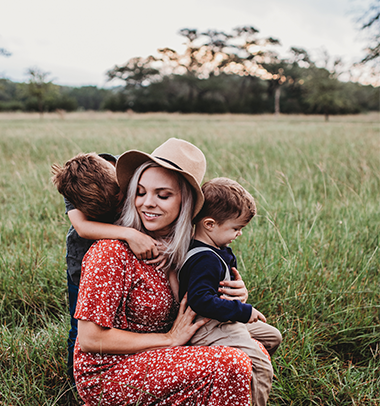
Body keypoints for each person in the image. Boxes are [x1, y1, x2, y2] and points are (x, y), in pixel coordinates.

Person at [73, 138, 254, 405]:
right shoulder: (111, 251)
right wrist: (169, 339)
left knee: (255, 348)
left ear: (186, 203)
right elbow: (90, 339)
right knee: (232, 363)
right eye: (140, 192)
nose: (147, 203)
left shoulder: (187, 250)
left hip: (161, 356)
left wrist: (234, 293)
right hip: (112, 370)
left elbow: (201, 300)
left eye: (163, 195)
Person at [51, 152, 160, 383]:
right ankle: (75, 381)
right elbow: (82, 227)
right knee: (80, 325)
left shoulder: (124, 169)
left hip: (125, 261)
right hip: (82, 262)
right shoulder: (74, 185)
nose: (118, 208)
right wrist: (129, 234)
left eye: (119, 200)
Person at [178, 177, 282, 406]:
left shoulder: (216, 248)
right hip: (207, 327)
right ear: (209, 224)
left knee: (273, 337)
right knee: (262, 365)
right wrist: (243, 311)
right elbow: (200, 300)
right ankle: (255, 393)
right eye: (236, 228)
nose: (239, 234)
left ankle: (241, 385)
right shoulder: (204, 259)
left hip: (222, 320)